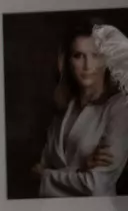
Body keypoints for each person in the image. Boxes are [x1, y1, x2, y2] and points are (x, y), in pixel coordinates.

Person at [33, 21, 128, 198]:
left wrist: (45, 177)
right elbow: (37, 169)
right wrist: (80, 169)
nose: (87, 65)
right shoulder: (64, 109)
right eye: (78, 56)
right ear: (68, 61)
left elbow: (96, 186)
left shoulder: (121, 107)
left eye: (96, 55)